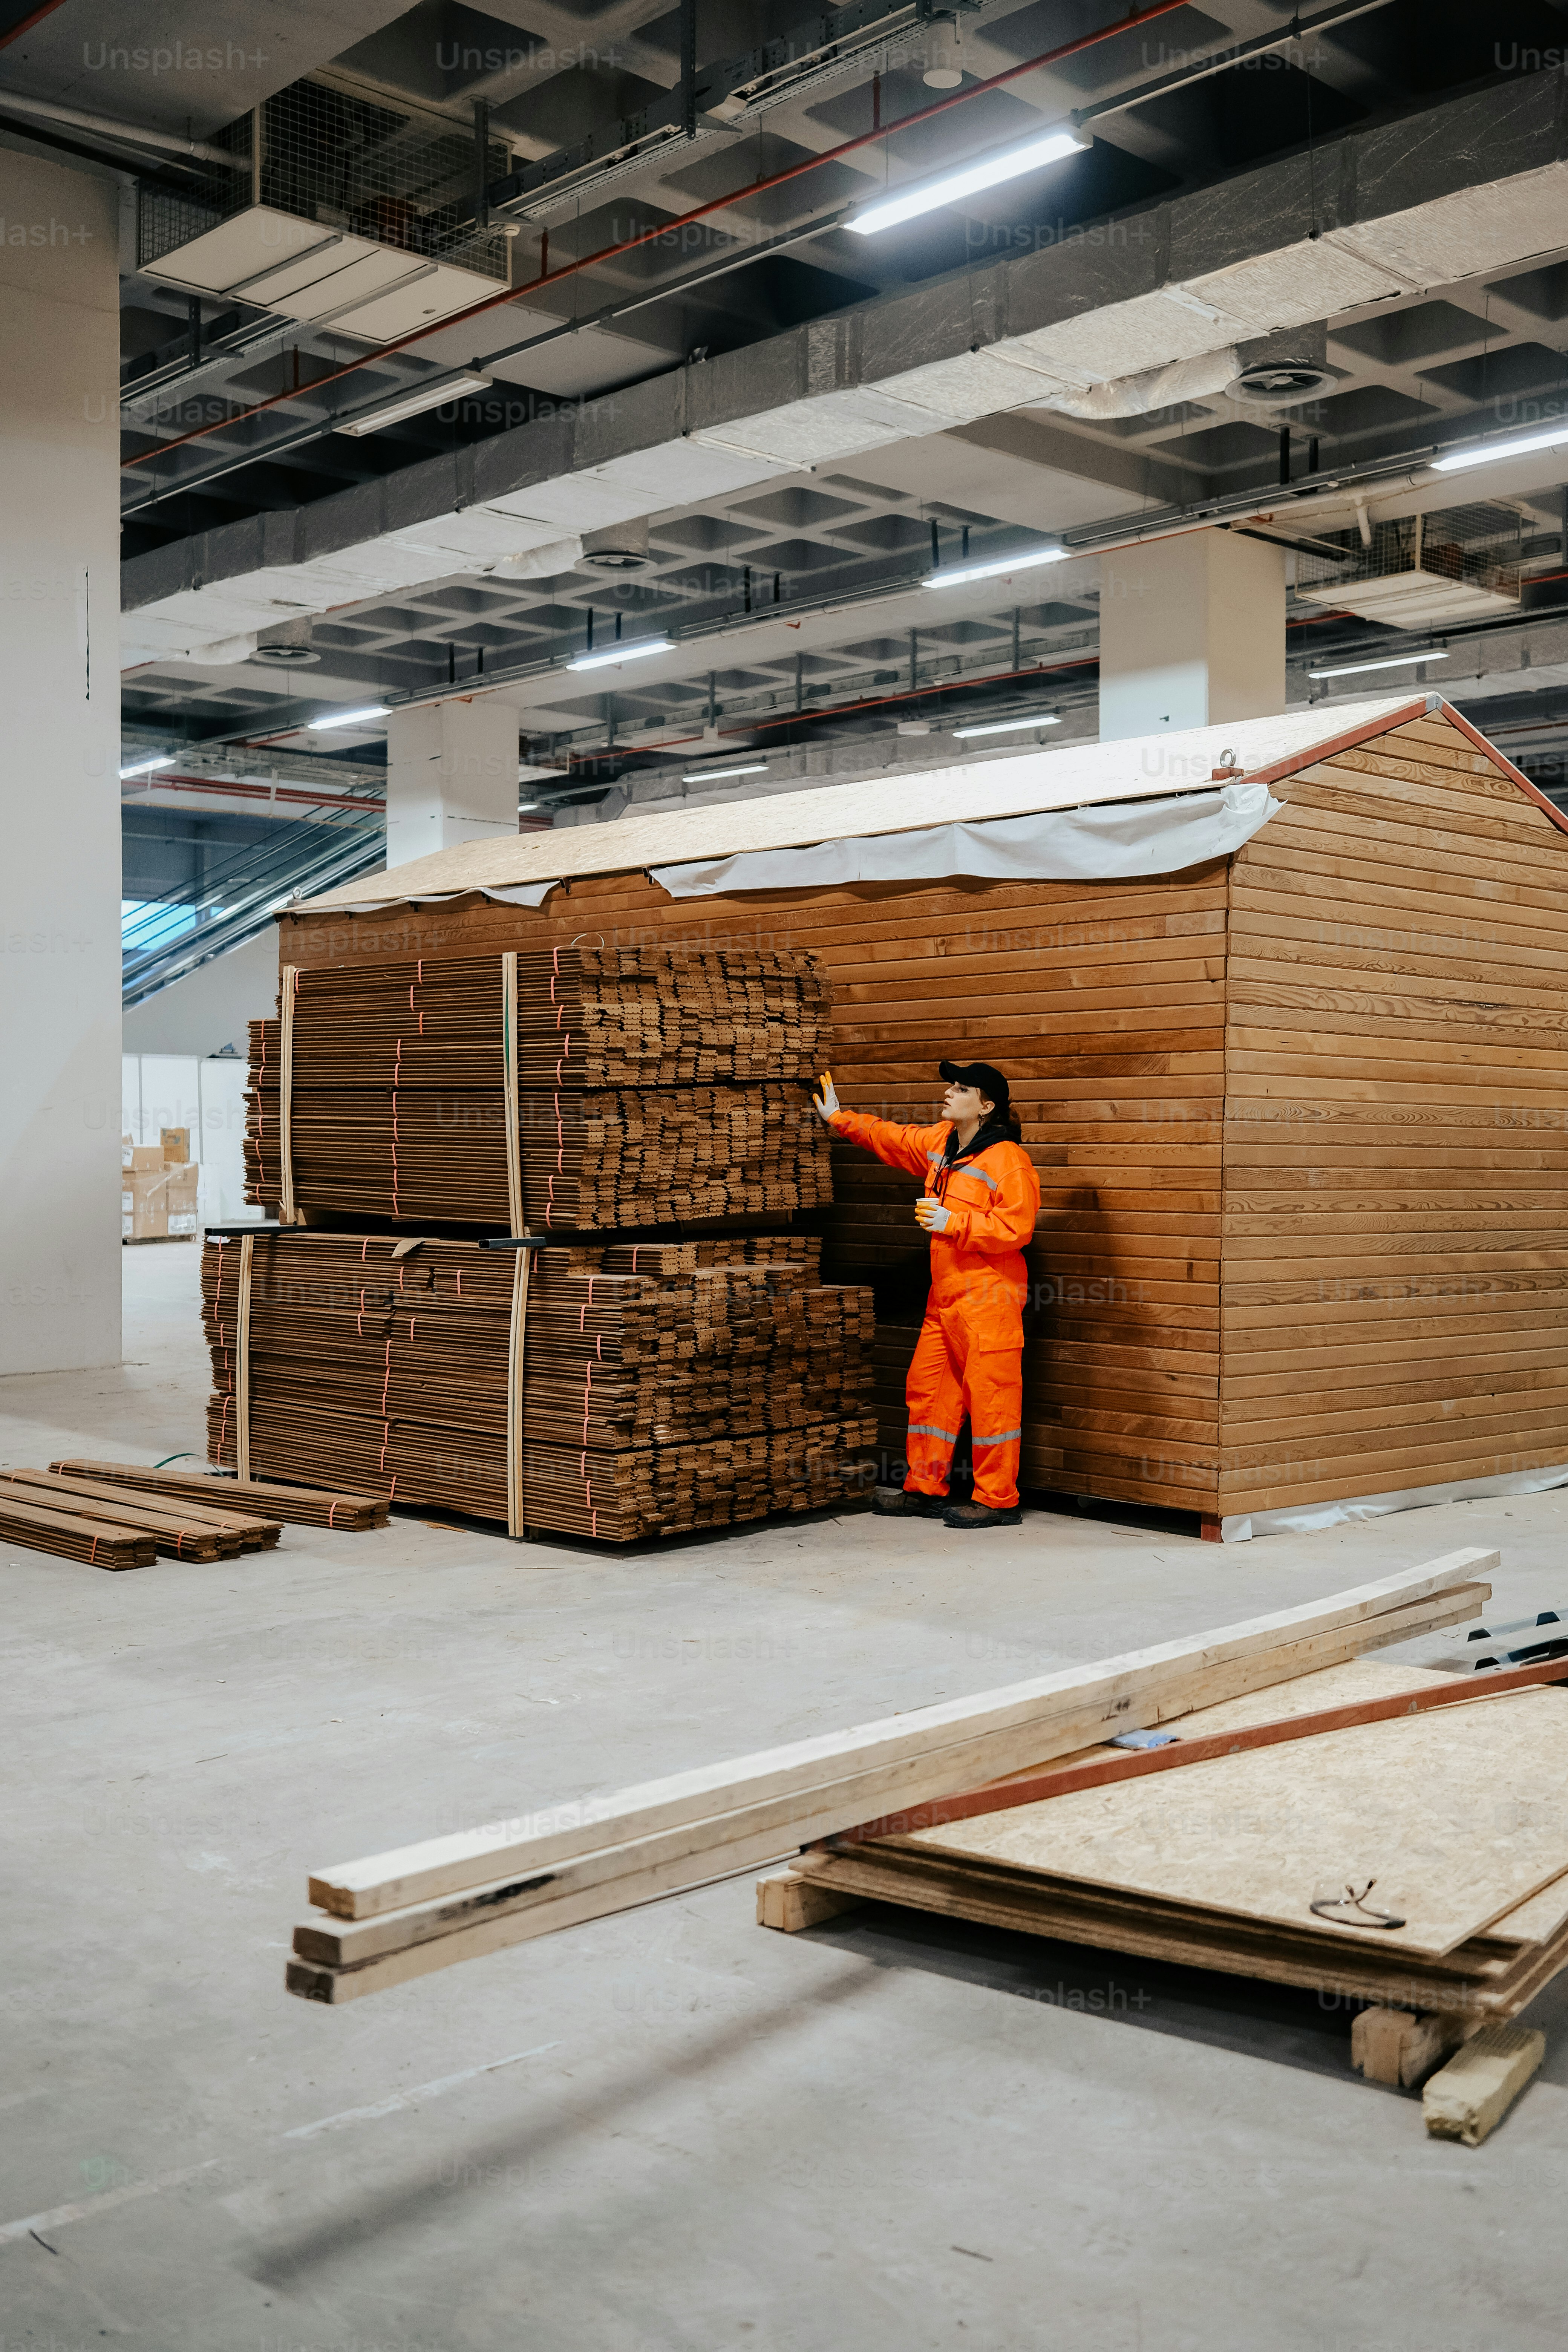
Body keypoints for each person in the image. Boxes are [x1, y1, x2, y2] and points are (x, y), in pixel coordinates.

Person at [814, 1060, 1040, 1530]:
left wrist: (952, 1222)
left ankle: (997, 1500)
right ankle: (924, 1487)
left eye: (961, 1089)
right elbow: (893, 1138)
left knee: (992, 1400)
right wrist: (841, 1120)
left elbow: (1016, 1229)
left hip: (989, 1300)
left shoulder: (1008, 1160)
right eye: (950, 1086)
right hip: (946, 1297)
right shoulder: (942, 1143)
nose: (949, 1094)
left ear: (986, 1105)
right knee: (929, 1392)